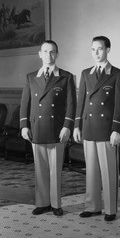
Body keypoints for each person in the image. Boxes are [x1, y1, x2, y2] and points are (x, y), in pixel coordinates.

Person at [20, 40, 77, 216]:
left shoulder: (66, 77)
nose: (48, 55)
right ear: (40, 54)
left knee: (55, 170)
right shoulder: (31, 77)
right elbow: (25, 103)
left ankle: (55, 204)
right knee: (40, 169)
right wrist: (23, 125)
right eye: (45, 52)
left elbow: (71, 105)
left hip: (57, 129)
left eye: (52, 52)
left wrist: (67, 126)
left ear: (57, 54)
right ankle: (42, 203)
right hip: (36, 128)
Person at [73, 36, 120, 221]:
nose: (96, 53)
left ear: (108, 50)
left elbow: (119, 106)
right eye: (93, 49)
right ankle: (92, 206)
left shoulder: (117, 74)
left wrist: (116, 130)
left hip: (106, 130)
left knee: (108, 172)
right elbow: (81, 102)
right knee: (92, 171)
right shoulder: (86, 73)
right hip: (88, 127)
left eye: (100, 49)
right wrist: (77, 126)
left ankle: (110, 210)